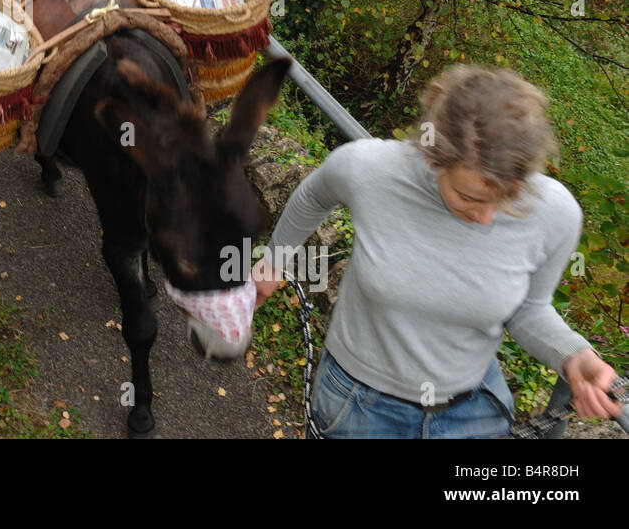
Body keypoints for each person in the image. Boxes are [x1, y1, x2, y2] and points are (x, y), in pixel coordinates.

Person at [256, 64, 622, 438]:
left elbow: (528, 310)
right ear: (432, 158)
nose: (485, 218)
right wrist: (273, 262)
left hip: (473, 413)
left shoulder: (555, 213)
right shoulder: (370, 169)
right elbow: (314, 195)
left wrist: (576, 358)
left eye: (506, 199)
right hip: (358, 408)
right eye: (468, 197)